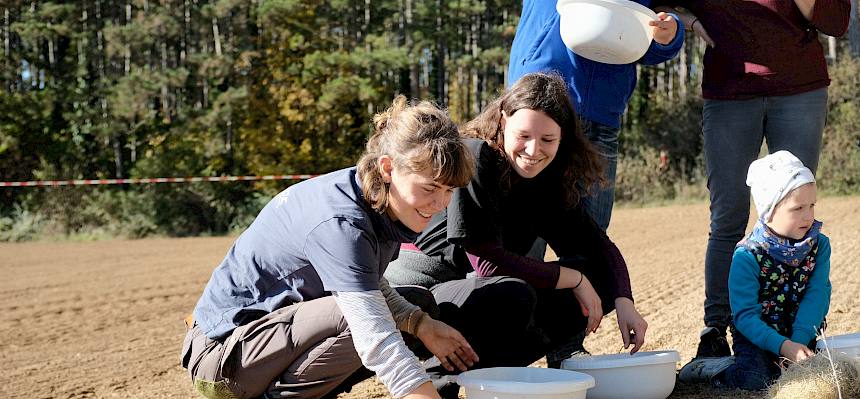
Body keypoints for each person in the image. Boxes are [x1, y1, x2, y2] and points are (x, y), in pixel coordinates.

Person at [179, 96, 480, 399]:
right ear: (388, 168)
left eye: (448, 191)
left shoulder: (374, 196)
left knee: (416, 305)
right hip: (221, 361)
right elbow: (375, 336)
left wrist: (421, 324)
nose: (441, 204)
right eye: (430, 188)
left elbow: (369, 283)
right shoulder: (341, 222)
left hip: (256, 347)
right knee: (360, 318)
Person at [384, 73, 648, 393]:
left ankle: (488, 374)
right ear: (504, 119)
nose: (533, 150)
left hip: (476, 292)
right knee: (513, 295)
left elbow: (598, 246)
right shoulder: (475, 156)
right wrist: (574, 279)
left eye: (548, 140)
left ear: (563, 137)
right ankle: (441, 377)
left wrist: (624, 299)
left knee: (601, 278)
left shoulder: (547, 182)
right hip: (418, 294)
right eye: (524, 135)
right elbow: (488, 264)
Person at [652, 0, 850, 360]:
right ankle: (716, 327)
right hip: (728, 93)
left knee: (797, 215)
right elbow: (663, 6)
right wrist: (693, 23)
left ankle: (797, 335)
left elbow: (837, 22)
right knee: (727, 217)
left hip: (798, 90)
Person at [508, 0, 684, 233]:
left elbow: (638, 34)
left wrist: (669, 36)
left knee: (592, 244)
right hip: (539, 103)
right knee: (521, 235)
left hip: (602, 112)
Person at [679, 151, 831, 390]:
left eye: (812, 205)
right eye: (798, 208)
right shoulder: (747, 255)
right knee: (757, 380)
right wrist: (783, 348)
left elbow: (817, 295)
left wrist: (797, 344)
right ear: (769, 210)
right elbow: (745, 316)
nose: (809, 216)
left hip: (798, 332)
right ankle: (713, 368)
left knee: (821, 372)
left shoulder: (819, 245)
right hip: (756, 335)